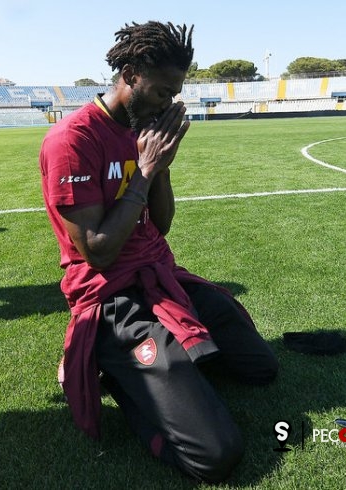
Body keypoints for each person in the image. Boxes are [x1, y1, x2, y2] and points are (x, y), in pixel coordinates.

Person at [39, 21, 278, 483]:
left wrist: (161, 167)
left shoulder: (144, 129)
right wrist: (145, 171)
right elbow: (99, 253)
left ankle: (168, 371)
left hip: (158, 274)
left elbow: (162, 225)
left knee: (260, 368)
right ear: (129, 73)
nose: (168, 103)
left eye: (175, 93)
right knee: (216, 456)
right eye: (163, 92)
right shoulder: (72, 141)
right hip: (110, 295)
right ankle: (112, 371)